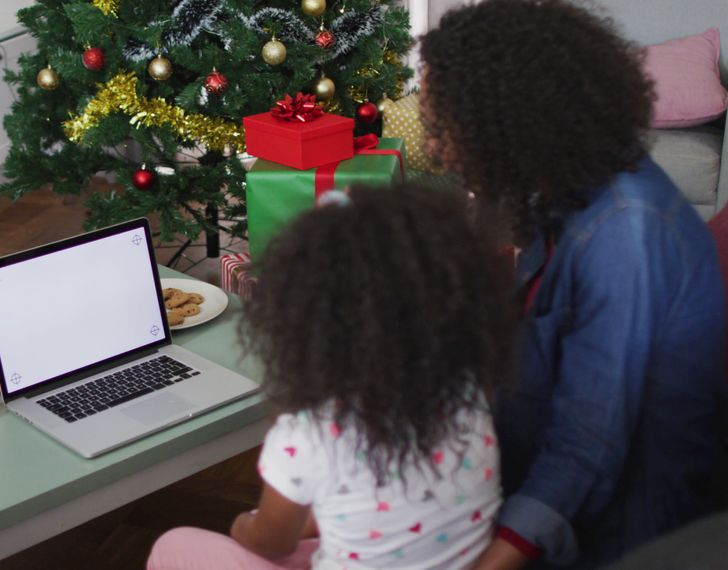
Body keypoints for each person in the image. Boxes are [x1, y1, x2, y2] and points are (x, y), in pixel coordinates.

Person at [417, 1, 728, 568]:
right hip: (533, 470)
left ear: (507, 119)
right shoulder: (573, 185)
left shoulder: (626, 234)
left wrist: (494, 557)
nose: (436, 148)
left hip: (622, 529)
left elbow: (590, 445)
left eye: (446, 124)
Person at [147, 185, 518, 569]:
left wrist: (243, 524)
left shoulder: (308, 435)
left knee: (174, 545)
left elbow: (268, 545)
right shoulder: (470, 392)